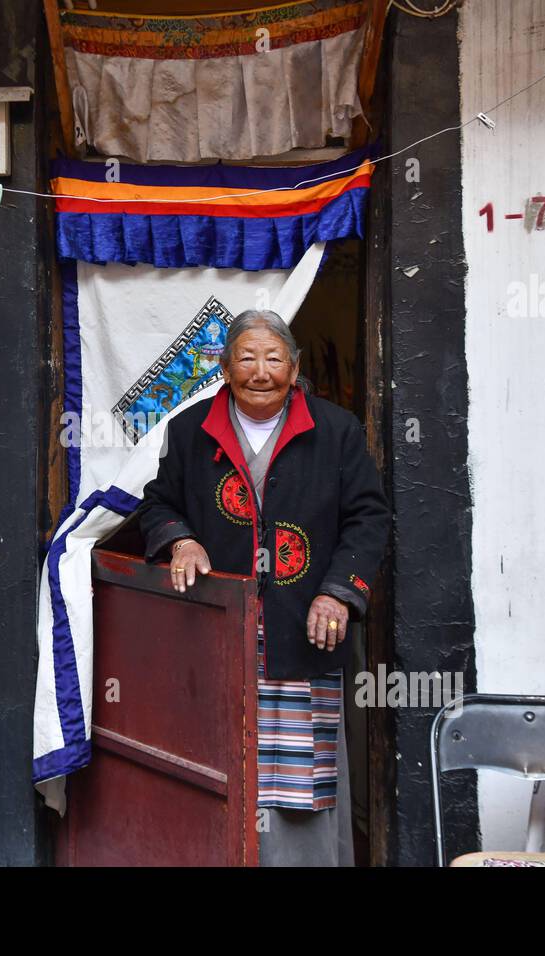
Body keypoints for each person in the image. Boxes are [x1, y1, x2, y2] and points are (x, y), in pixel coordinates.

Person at [139, 309, 389, 866]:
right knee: (214, 764)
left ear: (294, 367)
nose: (260, 371)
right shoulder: (190, 429)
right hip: (217, 632)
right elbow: (159, 502)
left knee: (300, 779)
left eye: (273, 358)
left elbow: (369, 519)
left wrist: (338, 592)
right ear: (225, 368)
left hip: (303, 626)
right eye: (247, 358)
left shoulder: (336, 430)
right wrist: (181, 541)